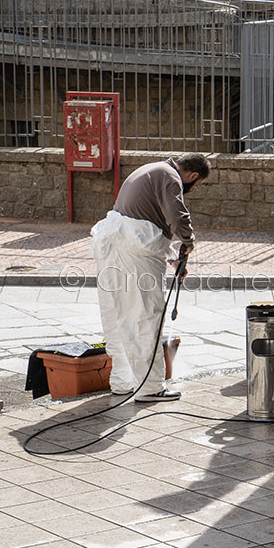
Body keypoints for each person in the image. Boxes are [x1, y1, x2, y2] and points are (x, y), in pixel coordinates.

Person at [90, 153, 210, 402]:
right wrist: (188, 242)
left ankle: (122, 382)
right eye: (196, 186)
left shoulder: (151, 169)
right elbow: (177, 217)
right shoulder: (170, 177)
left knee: (117, 314)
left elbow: (140, 226)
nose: (193, 190)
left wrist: (174, 259)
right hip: (133, 254)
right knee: (145, 317)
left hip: (112, 245)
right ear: (193, 176)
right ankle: (150, 387)